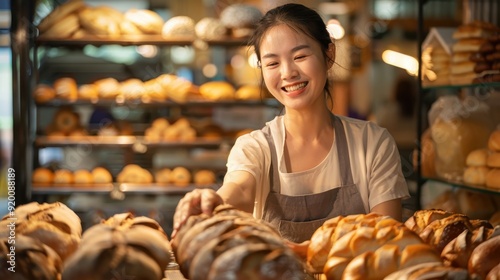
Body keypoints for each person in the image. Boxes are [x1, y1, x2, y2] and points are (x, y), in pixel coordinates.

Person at [172, 3, 410, 256]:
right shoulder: (254, 146)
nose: (288, 73)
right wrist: (216, 201)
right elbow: (239, 189)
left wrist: (308, 252)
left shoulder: (371, 142)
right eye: (272, 63)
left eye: (300, 57)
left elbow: (387, 236)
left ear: (329, 55)